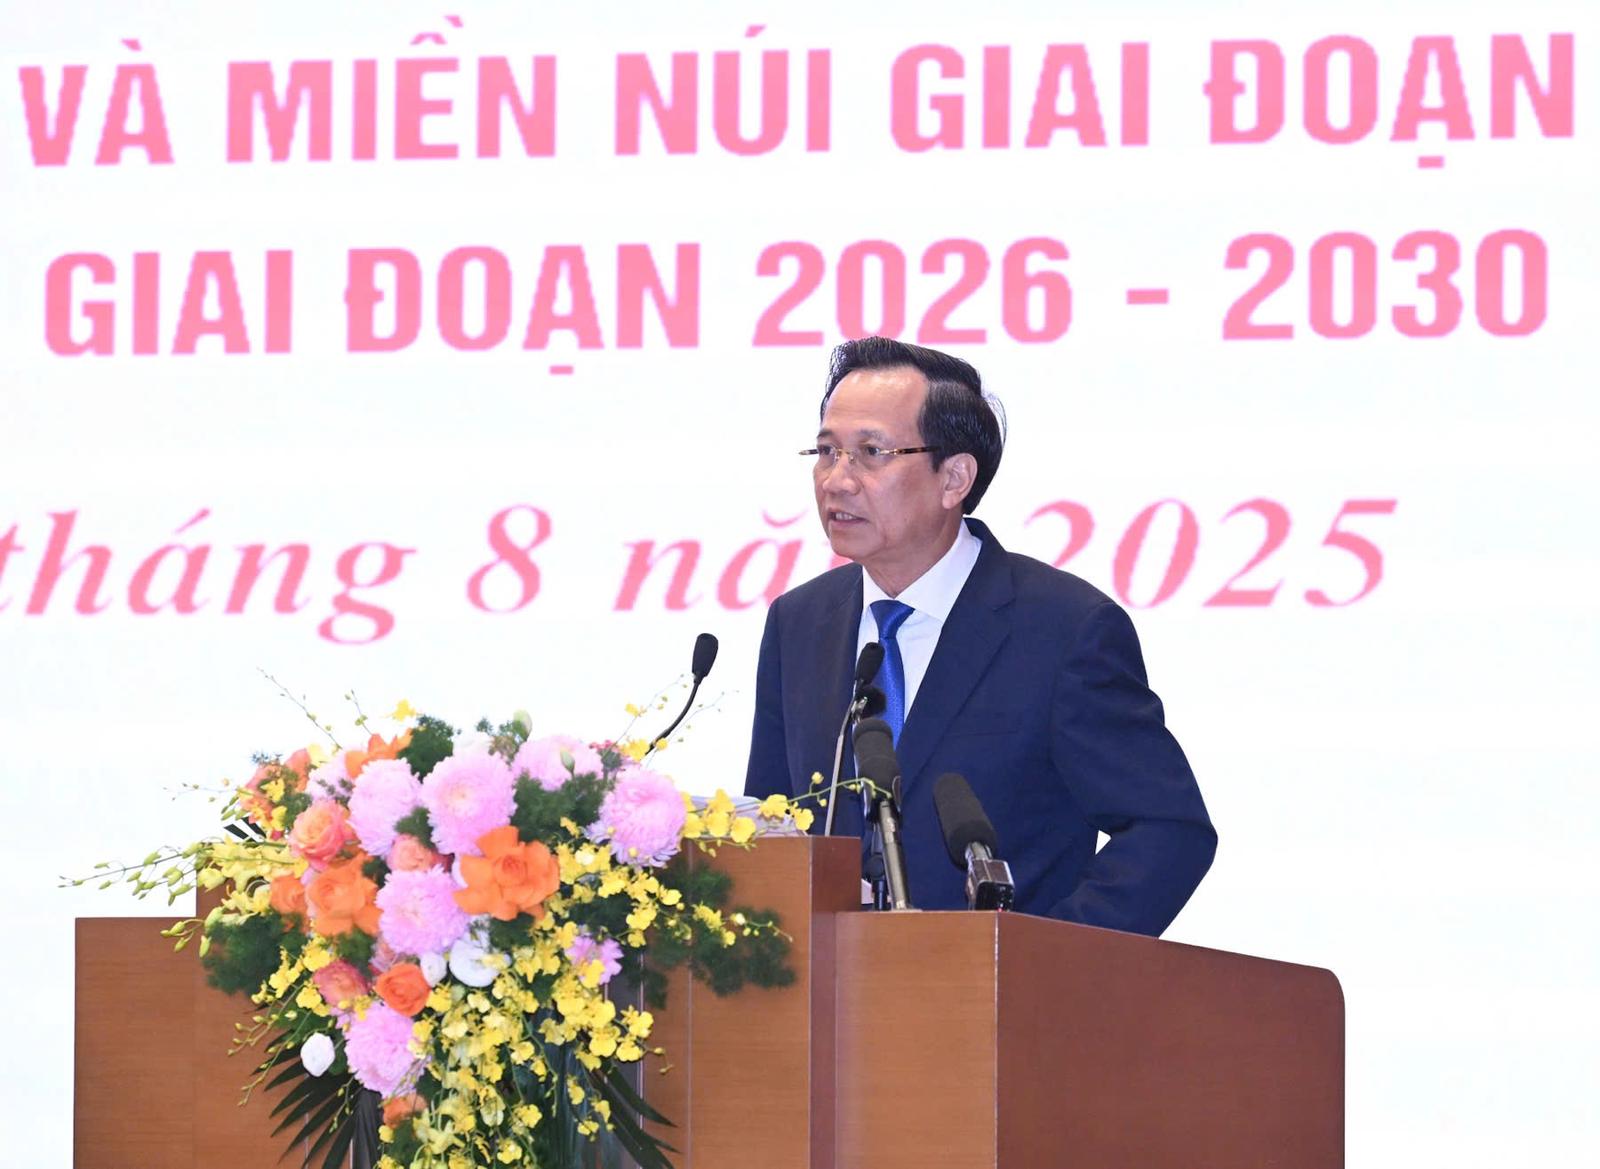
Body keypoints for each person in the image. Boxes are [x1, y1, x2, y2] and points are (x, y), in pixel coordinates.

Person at [743, 338, 1215, 937]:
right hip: (832, 986)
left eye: (870, 453)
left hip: (1002, 989)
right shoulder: (799, 623)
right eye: (827, 451)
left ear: (954, 478)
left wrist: (1045, 960)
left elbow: (1167, 830)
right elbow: (773, 821)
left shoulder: (1064, 629)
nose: (837, 480)